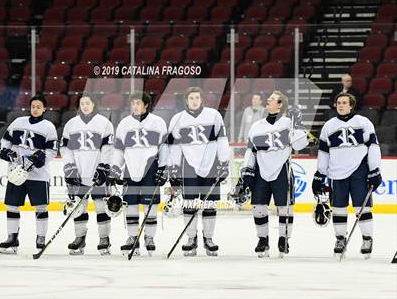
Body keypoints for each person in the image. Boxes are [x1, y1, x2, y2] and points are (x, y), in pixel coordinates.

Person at [235, 90, 308, 258]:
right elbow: (250, 152)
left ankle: (284, 239)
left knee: (285, 208)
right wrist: (246, 174)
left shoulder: (288, 123)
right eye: (268, 99)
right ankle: (263, 240)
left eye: (272, 99)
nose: (268, 101)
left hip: (282, 171)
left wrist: (297, 122)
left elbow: (301, 143)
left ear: (280, 104)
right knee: (258, 208)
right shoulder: (257, 126)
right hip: (261, 171)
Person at [313, 92, 382, 259]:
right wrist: (320, 173)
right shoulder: (329, 126)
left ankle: (367, 239)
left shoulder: (363, 122)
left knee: (362, 207)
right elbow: (324, 152)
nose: (341, 105)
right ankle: (340, 239)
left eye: (344, 102)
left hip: (359, 170)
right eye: (338, 102)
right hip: (336, 173)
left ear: (351, 105)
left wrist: (375, 169)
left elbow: (373, 147)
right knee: (338, 208)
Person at [167, 87, 230, 256]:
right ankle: (191, 238)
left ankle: (208, 239)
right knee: (190, 204)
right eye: (191, 98)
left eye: (197, 98)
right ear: (186, 101)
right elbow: (173, 147)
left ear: (202, 100)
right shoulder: (178, 119)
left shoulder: (214, 116)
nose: (194, 101)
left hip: (211, 165)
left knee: (210, 205)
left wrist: (224, 163)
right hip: (189, 166)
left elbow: (222, 140)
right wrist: (173, 168)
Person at [108, 92, 168, 256]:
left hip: (151, 169)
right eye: (133, 103)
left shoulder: (158, 122)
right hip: (130, 168)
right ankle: (132, 237)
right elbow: (119, 149)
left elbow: (164, 148)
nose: (135, 106)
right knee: (131, 204)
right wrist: (115, 168)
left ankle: (149, 237)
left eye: (138, 103)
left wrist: (163, 168)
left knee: (151, 205)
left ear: (146, 105)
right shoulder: (124, 124)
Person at [0, 95, 58, 254]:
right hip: (16, 172)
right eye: (33, 106)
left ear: (45, 109)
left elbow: (52, 151)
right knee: (11, 206)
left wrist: (40, 158)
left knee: (41, 207)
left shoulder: (48, 127)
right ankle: (12, 238)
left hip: (38, 175)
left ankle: (41, 238)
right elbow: (5, 141)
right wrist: (6, 152)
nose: (35, 109)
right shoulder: (18, 122)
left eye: (39, 106)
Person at [60, 93, 114, 255]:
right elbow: (65, 148)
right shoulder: (71, 124)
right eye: (82, 103)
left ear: (94, 104)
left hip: (98, 173)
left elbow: (108, 148)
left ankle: (104, 239)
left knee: (101, 207)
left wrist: (103, 167)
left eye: (87, 103)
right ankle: (80, 238)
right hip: (78, 172)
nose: (84, 106)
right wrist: (70, 167)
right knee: (79, 207)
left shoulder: (104, 123)